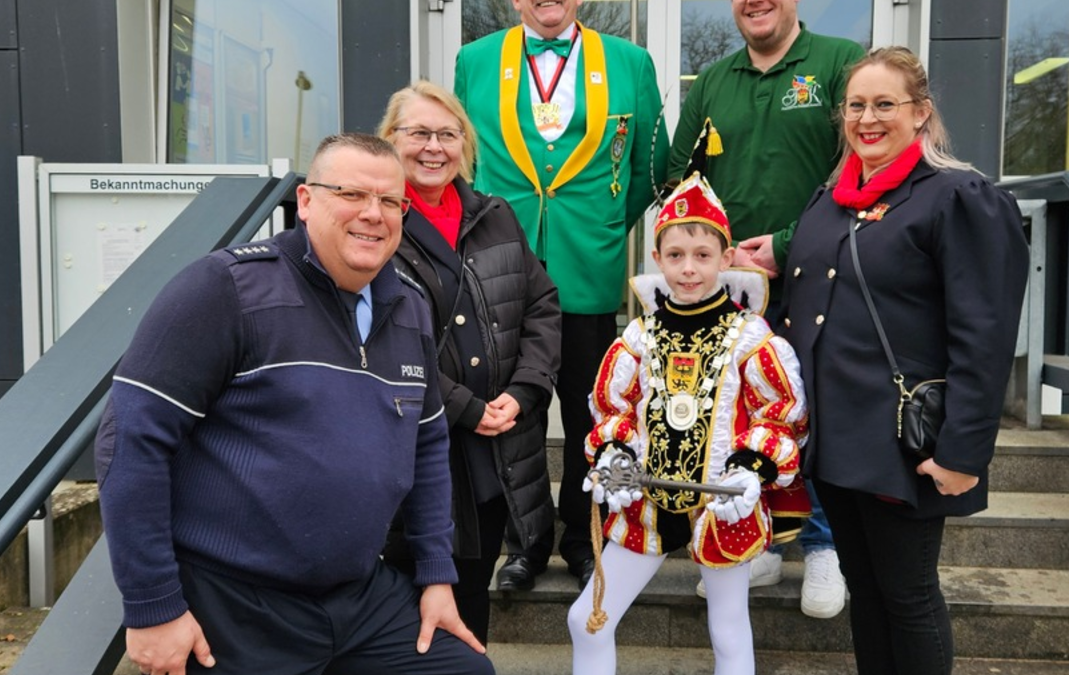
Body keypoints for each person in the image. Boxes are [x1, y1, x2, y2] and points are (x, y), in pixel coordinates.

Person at [95, 133, 494, 675]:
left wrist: (436, 574)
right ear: (305, 201)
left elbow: (426, 445)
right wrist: (152, 606)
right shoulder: (225, 290)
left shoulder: (409, 306)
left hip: (359, 595)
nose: (373, 214)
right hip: (234, 601)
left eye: (390, 201)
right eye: (351, 194)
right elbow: (130, 440)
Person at [780, 47, 1028, 675]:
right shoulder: (829, 200)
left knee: (909, 596)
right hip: (834, 444)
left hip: (902, 445)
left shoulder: (957, 196)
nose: (867, 119)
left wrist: (964, 453)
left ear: (920, 112)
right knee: (867, 592)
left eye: (885, 104)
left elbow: (985, 336)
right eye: (856, 106)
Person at [455, 0, 668, 591]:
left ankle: (582, 536)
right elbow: (462, 160)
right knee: (508, 409)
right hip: (501, 266)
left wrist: (604, 225)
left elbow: (650, 168)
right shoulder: (475, 60)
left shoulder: (629, 61)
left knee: (588, 411)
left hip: (587, 263)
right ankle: (522, 543)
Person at [566, 173, 809, 675]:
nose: (689, 268)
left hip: (722, 505)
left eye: (702, 255)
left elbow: (781, 412)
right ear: (657, 259)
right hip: (646, 502)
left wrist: (751, 467)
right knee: (587, 619)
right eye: (675, 255)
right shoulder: (638, 336)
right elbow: (613, 408)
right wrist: (615, 454)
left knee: (728, 630)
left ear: (726, 257)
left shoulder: (751, 337)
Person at [668, 0, 863, 618]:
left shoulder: (838, 62)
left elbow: (858, 170)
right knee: (742, 409)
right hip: (733, 288)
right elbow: (680, 177)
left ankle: (824, 545)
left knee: (814, 410)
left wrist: (786, 243)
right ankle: (761, 540)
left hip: (820, 277)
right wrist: (708, 253)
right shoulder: (713, 80)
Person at [376, 81, 561, 645]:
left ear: (466, 144)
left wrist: (524, 391)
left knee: (473, 595)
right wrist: (464, 406)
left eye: (448, 134)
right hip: (419, 451)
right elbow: (378, 341)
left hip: (498, 450)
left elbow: (541, 305)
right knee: (408, 604)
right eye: (418, 133)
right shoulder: (375, 223)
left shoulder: (495, 216)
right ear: (390, 140)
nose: (434, 147)